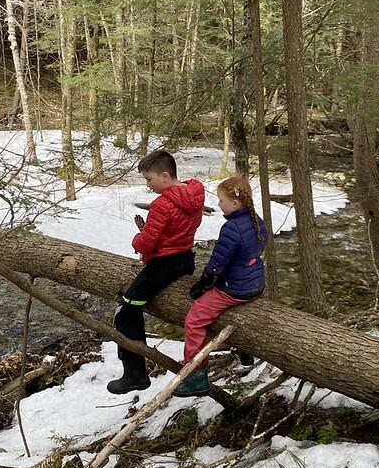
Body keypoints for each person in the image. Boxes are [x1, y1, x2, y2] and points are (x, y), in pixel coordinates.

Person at [108, 149, 205, 394]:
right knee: (132, 307)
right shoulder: (195, 191)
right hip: (185, 259)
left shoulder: (162, 204)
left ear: (164, 176)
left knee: (126, 311)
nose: (148, 185)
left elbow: (147, 243)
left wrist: (137, 238)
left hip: (163, 266)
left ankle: (135, 374)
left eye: (149, 179)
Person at [173, 175, 268, 397]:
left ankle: (197, 376)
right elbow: (258, 249)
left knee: (194, 320)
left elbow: (217, 265)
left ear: (235, 204)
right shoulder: (256, 220)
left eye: (221, 201)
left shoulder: (232, 228)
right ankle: (244, 351)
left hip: (235, 289)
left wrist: (204, 282)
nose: (218, 205)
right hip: (256, 284)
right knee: (235, 316)